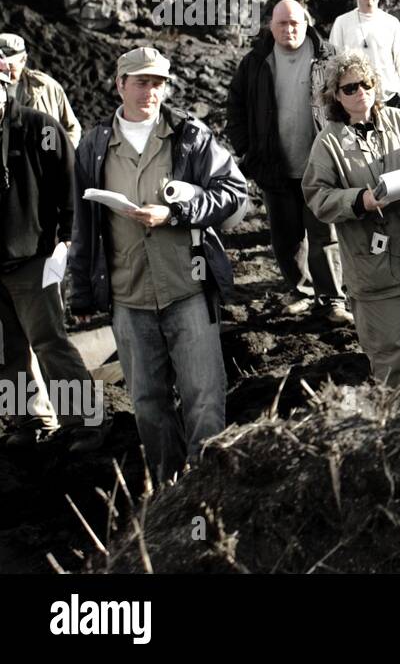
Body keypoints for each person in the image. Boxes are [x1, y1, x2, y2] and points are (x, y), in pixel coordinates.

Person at [68, 47, 247, 481]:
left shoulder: (188, 135)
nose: (151, 91)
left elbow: (234, 192)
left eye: (159, 82)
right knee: (148, 402)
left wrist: (176, 213)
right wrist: (83, 290)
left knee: (204, 395)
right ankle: (169, 491)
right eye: (142, 81)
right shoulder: (94, 146)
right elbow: (83, 221)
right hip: (129, 295)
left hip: (187, 287)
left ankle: (209, 488)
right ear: (120, 85)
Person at [302, 53, 400, 389]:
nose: (360, 92)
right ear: (336, 95)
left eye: (366, 84)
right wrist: (359, 200)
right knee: (392, 353)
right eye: (350, 87)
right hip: (374, 266)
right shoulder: (328, 143)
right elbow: (317, 197)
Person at [0, 69, 107, 452]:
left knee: (48, 342)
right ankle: (27, 419)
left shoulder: (39, 128)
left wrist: (65, 243)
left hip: (34, 257)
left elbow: (69, 187)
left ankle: (85, 420)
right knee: (4, 349)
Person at [227, 0, 350, 325]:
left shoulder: (329, 57)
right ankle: (300, 291)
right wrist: (247, 152)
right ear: (271, 25)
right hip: (274, 167)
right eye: (282, 24)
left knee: (325, 237)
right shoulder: (255, 62)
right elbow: (235, 107)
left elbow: (350, 101)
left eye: (294, 22)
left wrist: (345, 149)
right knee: (286, 237)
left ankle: (332, 298)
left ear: (306, 22)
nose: (289, 29)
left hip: (321, 166)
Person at [328, 0, 400, 101]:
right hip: (354, 98)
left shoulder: (392, 23)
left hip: (388, 98)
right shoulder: (342, 22)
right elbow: (333, 60)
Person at [0, 34, 81, 145]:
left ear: (23, 60)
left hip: (42, 160)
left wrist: (64, 155)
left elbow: (72, 128)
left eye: (10, 65)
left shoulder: (46, 87)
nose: (6, 69)